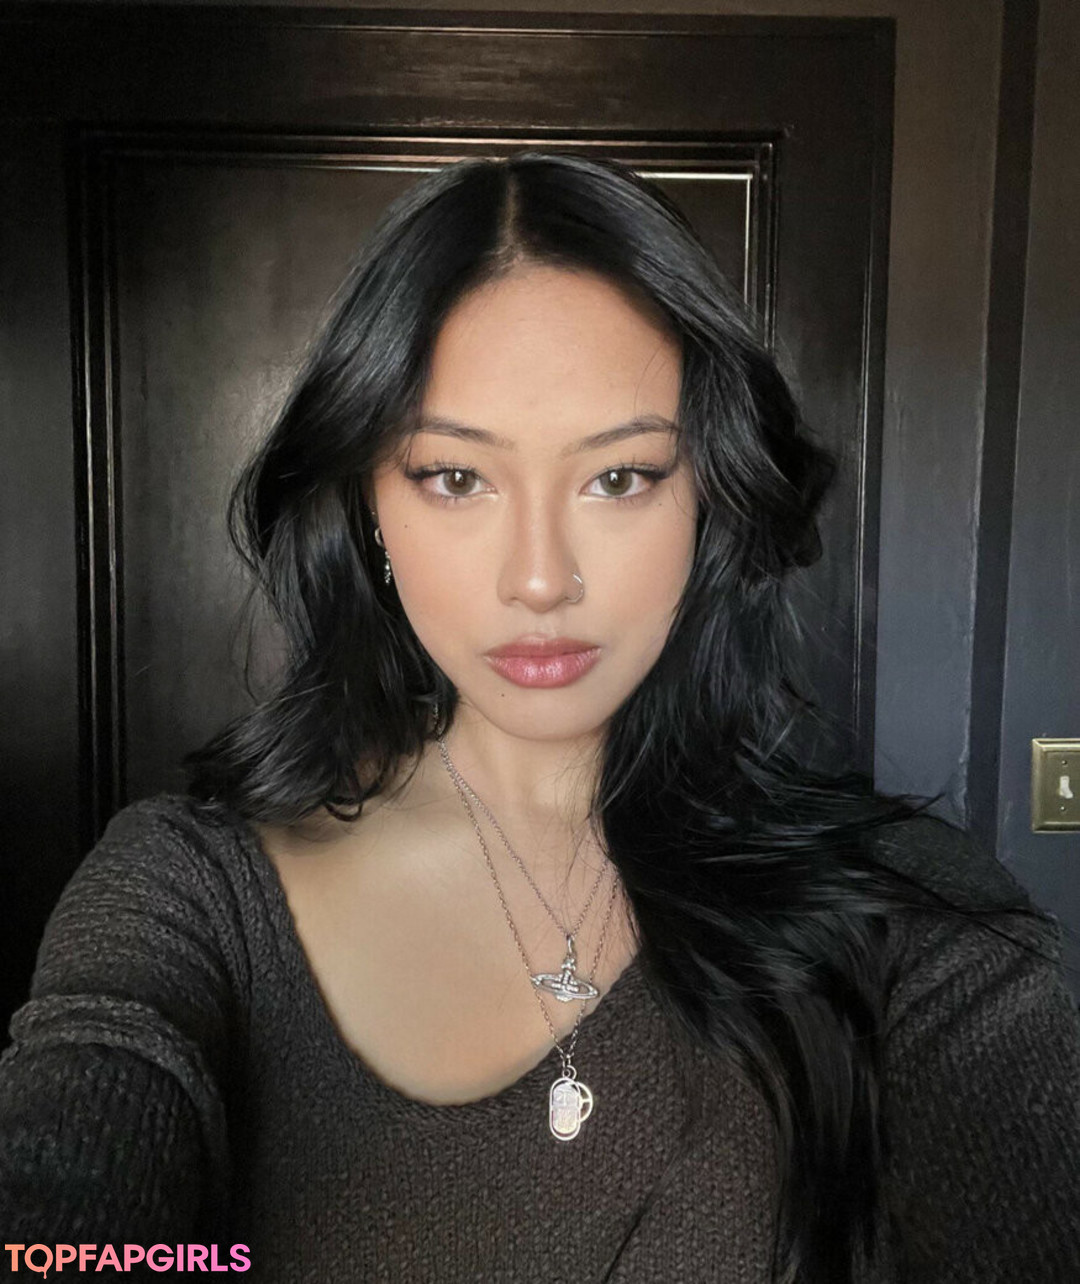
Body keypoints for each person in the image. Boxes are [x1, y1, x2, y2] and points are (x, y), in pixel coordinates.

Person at [2, 152, 1078, 1283]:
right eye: (455, 478)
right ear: (369, 507)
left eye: (619, 478)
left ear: (708, 496)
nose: (538, 580)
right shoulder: (190, 897)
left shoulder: (912, 922)